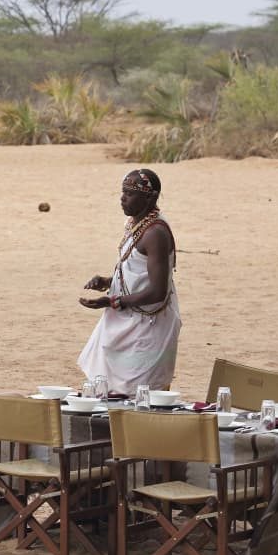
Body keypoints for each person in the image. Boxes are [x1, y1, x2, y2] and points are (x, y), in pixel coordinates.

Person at [77, 169, 181, 395]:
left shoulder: (155, 234)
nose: (122, 198)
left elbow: (157, 292)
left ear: (150, 198)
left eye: (130, 193)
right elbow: (137, 270)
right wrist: (108, 280)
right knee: (108, 386)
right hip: (129, 318)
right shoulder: (135, 224)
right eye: (123, 192)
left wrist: (112, 301)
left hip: (149, 323)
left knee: (140, 392)